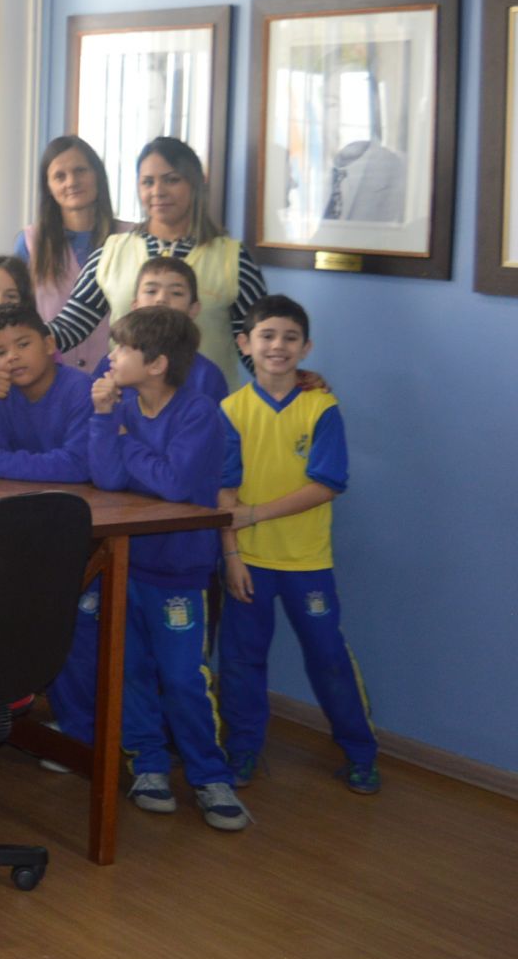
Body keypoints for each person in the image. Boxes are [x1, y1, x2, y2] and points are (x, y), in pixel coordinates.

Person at [85, 306, 247, 832]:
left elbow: (176, 485)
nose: (111, 357)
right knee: (129, 668)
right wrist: (105, 418)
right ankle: (148, 763)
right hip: (127, 564)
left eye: (122, 349)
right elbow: (108, 478)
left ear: (155, 364)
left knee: (182, 677)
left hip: (178, 571)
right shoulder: (123, 405)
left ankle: (208, 774)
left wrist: (127, 443)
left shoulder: (198, 413)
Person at [217, 296, 377, 795]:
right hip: (249, 564)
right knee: (241, 662)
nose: (278, 346)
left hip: (307, 562)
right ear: (245, 344)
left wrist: (256, 514)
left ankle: (360, 753)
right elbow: (223, 491)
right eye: (267, 336)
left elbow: (326, 484)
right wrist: (232, 554)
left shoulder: (322, 406)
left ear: (305, 347)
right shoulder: (231, 410)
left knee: (328, 656)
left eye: (290, 337)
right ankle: (243, 754)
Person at [49, 137, 264, 391]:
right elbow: (69, 327)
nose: (158, 191)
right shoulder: (111, 252)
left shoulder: (232, 257)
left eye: (172, 180)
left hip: (208, 410)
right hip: (128, 412)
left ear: (195, 183)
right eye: (148, 182)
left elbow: (257, 340)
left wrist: (294, 378)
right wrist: (12, 342)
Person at [17, 137, 128, 374]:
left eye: (80, 171)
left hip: (120, 380)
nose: (72, 182)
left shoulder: (131, 239)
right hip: (50, 381)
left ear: (97, 175)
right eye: (60, 176)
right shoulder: (30, 242)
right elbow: (12, 311)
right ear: (48, 186)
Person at [0, 305, 92, 482]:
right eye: (0, 352)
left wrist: (0, 463)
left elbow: (79, 465)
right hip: (15, 497)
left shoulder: (81, 389)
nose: (12, 356)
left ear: (49, 345)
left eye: (23, 344)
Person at [86, 255, 230, 406]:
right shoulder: (112, 365)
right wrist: (105, 409)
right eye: (151, 291)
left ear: (193, 309)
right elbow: (92, 416)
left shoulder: (206, 374)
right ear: (134, 306)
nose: (161, 299)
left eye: (176, 293)